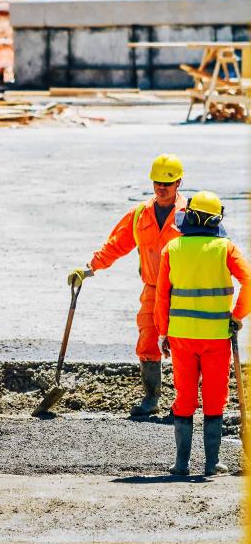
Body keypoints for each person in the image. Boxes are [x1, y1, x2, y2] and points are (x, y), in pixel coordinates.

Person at [69, 154, 186, 418]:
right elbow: (117, 244)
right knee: (147, 342)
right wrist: (90, 269)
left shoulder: (189, 214)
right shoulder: (140, 214)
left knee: (182, 346)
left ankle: (183, 404)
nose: (161, 187)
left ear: (178, 182)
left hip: (182, 291)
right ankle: (151, 399)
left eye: (167, 183)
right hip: (152, 290)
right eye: (157, 182)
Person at [155, 191, 250, 477]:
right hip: (217, 336)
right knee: (214, 397)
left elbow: (162, 297)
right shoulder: (226, 248)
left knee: (184, 397)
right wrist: (236, 316)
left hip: (181, 336)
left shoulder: (172, 249)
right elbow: (248, 282)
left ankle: (181, 464)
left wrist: (162, 333)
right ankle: (212, 463)